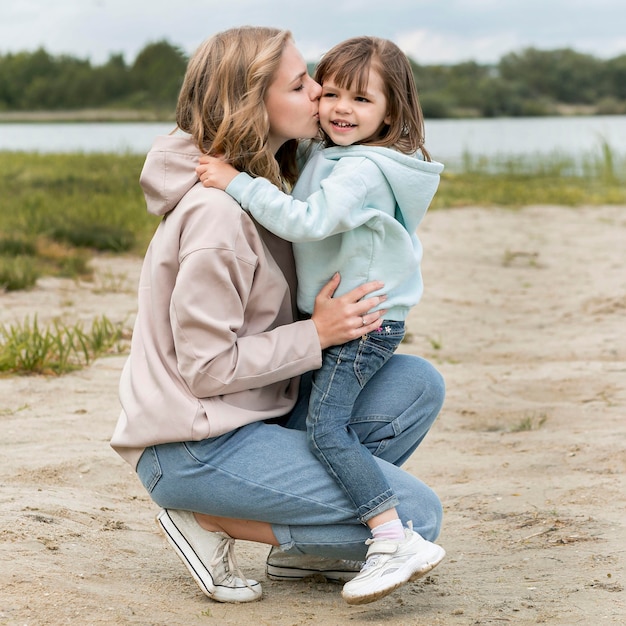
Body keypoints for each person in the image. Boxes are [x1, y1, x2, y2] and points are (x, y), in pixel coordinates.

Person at [111, 26, 445, 607]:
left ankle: (302, 548)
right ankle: (208, 519)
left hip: (253, 416)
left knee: (416, 385)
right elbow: (206, 369)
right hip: (193, 445)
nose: (321, 94)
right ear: (252, 102)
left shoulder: (266, 187)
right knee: (416, 514)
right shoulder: (218, 218)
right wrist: (316, 333)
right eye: (302, 83)